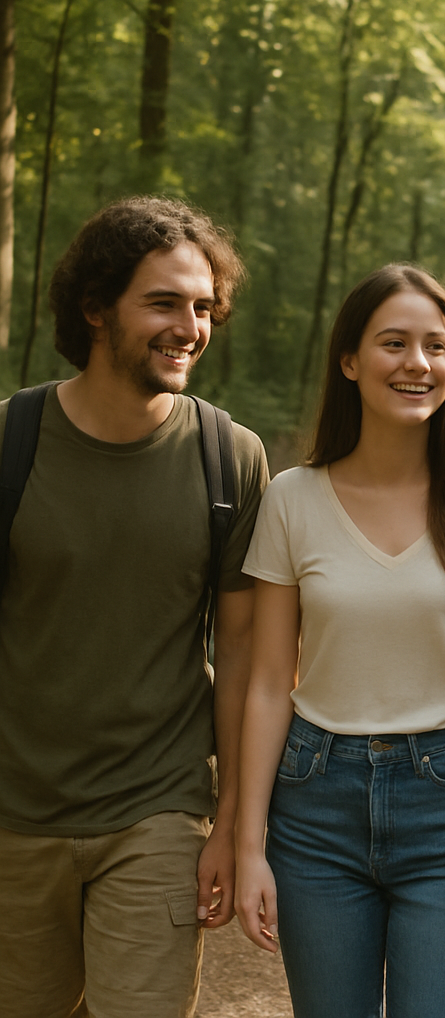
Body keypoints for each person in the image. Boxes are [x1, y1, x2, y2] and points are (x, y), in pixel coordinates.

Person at [0, 196, 269, 1018]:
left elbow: (245, 662)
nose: (190, 326)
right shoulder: (11, 442)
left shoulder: (230, 459)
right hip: (14, 816)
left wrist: (229, 823)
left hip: (158, 811)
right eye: (163, 303)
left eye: (202, 306)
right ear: (94, 308)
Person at [235, 263, 445, 1018]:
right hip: (315, 802)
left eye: (437, 346)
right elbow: (269, 681)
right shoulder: (292, 497)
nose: (418, 364)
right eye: (393, 343)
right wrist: (247, 845)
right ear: (349, 360)